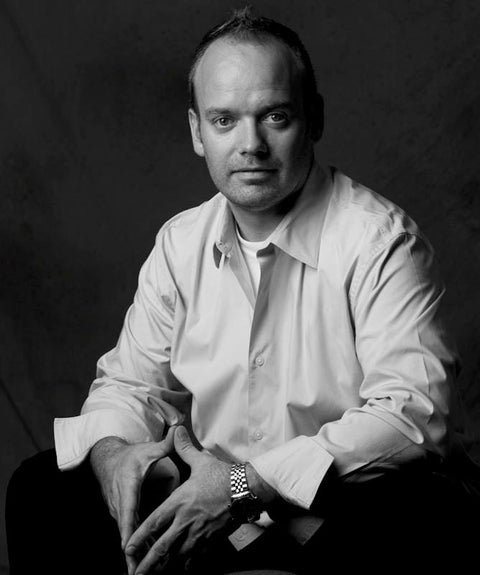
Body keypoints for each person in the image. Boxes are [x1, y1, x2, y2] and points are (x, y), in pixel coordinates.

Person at [6, 7, 480, 575]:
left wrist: (241, 486)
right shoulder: (180, 244)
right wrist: (114, 456)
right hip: (219, 510)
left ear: (314, 119)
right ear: (197, 132)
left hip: (345, 515)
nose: (250, 144)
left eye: (275, 116)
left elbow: (412, 419)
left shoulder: (380, 241)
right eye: (224, 120)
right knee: (42, 487)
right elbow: (130, 386)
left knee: (421, 510)